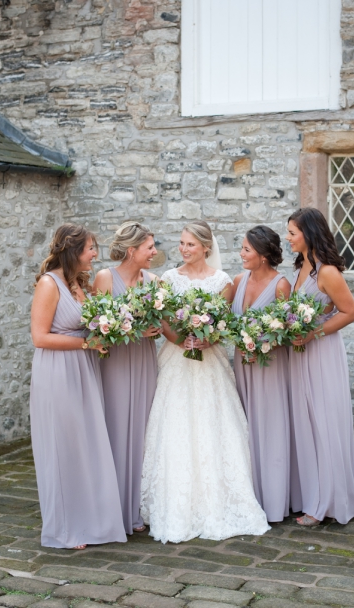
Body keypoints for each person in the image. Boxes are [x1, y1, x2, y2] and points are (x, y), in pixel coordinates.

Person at [140, 220, 270, 543]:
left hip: (209, 360)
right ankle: (177, 503)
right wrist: (180, 340)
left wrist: (206, 340)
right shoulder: (169, 279)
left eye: (190, 245)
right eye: (182, 243)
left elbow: (223, 321)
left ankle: (221, 501)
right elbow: (165, 319)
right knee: (176, 425)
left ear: (206, 248)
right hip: (176, 360)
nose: (183, 249)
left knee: (214, 423)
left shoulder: (223, 281)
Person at [29, 223, 126, 549]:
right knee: (64, 447)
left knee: (84, 445)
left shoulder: (77, 284)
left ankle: (88, 521)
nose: (95, 254)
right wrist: (87, 345)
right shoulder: (49, 283)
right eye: (90, 248)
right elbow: (40, 337)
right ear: (73, 251)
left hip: (84, 371)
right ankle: (66, 528)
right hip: (58, 372)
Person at [285, 208, 354, 526]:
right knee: (306, 421)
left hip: (322, 352)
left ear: (309, 234)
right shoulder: (302, 266)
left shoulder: (327, 272)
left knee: (324, 421)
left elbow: (349, 312)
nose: (287, 238)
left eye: (292, 232)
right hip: (300, 354)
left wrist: (313, 333)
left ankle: (326, 503)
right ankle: (312, 494)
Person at [92, 221, 161, 535]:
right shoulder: (105, 278)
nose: (154, 253)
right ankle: (111, 508)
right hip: (116, 363)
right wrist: (133, 329)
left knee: (142, 431)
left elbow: (161, 320)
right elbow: (96, 325)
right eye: (149, 247)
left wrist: (157, 329)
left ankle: (136, 508)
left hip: (144, 360)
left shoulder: (154, 282)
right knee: (116, 429)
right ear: (132, 250)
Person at [231, 226, 292, 522]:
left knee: (269, 426)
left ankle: (274, 500)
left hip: (268, 366)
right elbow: (226, 323)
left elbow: (287, 329)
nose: (241, 254)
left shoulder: (281, 285)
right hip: (241, 365)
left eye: (246, 250)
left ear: (264, 255)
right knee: (244, 426)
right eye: (242, 248)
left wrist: (264, 343)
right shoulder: (238, 280)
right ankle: (248, 494)